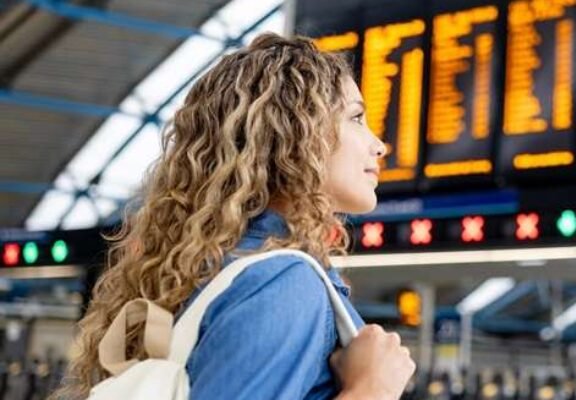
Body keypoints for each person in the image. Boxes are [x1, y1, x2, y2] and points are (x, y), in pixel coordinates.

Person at [51, 33, 415, 399]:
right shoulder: (282, 282)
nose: (378, 145)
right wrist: (371, 389)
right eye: (356, 117)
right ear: (294, 134)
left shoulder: (202, 269)